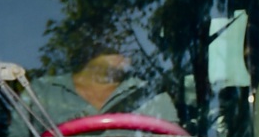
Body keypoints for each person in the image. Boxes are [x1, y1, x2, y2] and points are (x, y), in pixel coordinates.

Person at [28, 47, 179, 127]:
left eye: (125, 52)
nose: (125, 59)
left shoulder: (150, 95)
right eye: (113, 51)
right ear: (88, 57)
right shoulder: (42, 91)